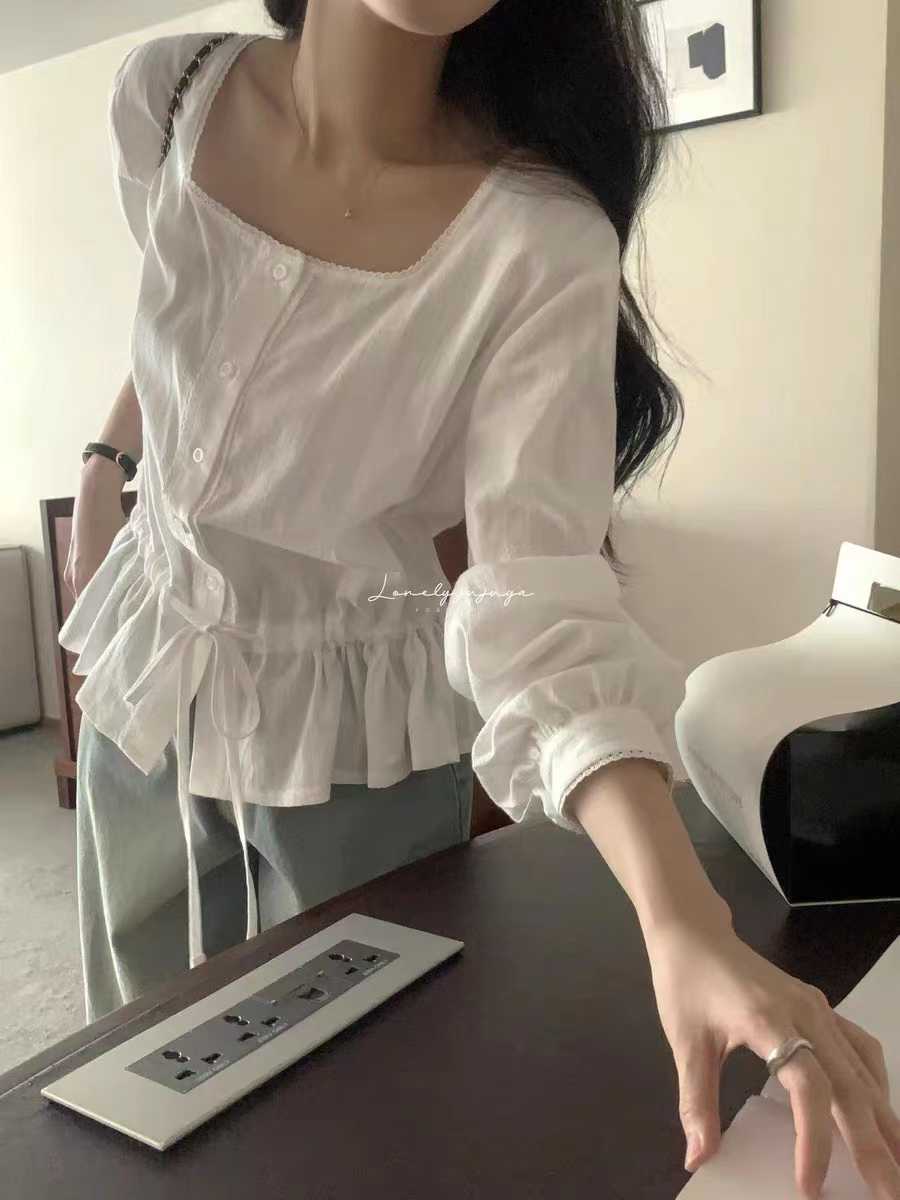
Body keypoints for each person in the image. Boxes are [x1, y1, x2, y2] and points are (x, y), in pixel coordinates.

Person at [60, 3, 900, 1198]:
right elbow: (199, 311)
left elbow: (533, 606)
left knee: (347, 1119)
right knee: (118, 1091)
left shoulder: (535, 239)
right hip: (147, 677)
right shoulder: (168, 92)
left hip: (350, 739)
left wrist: (683, 920)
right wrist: (109, 462)